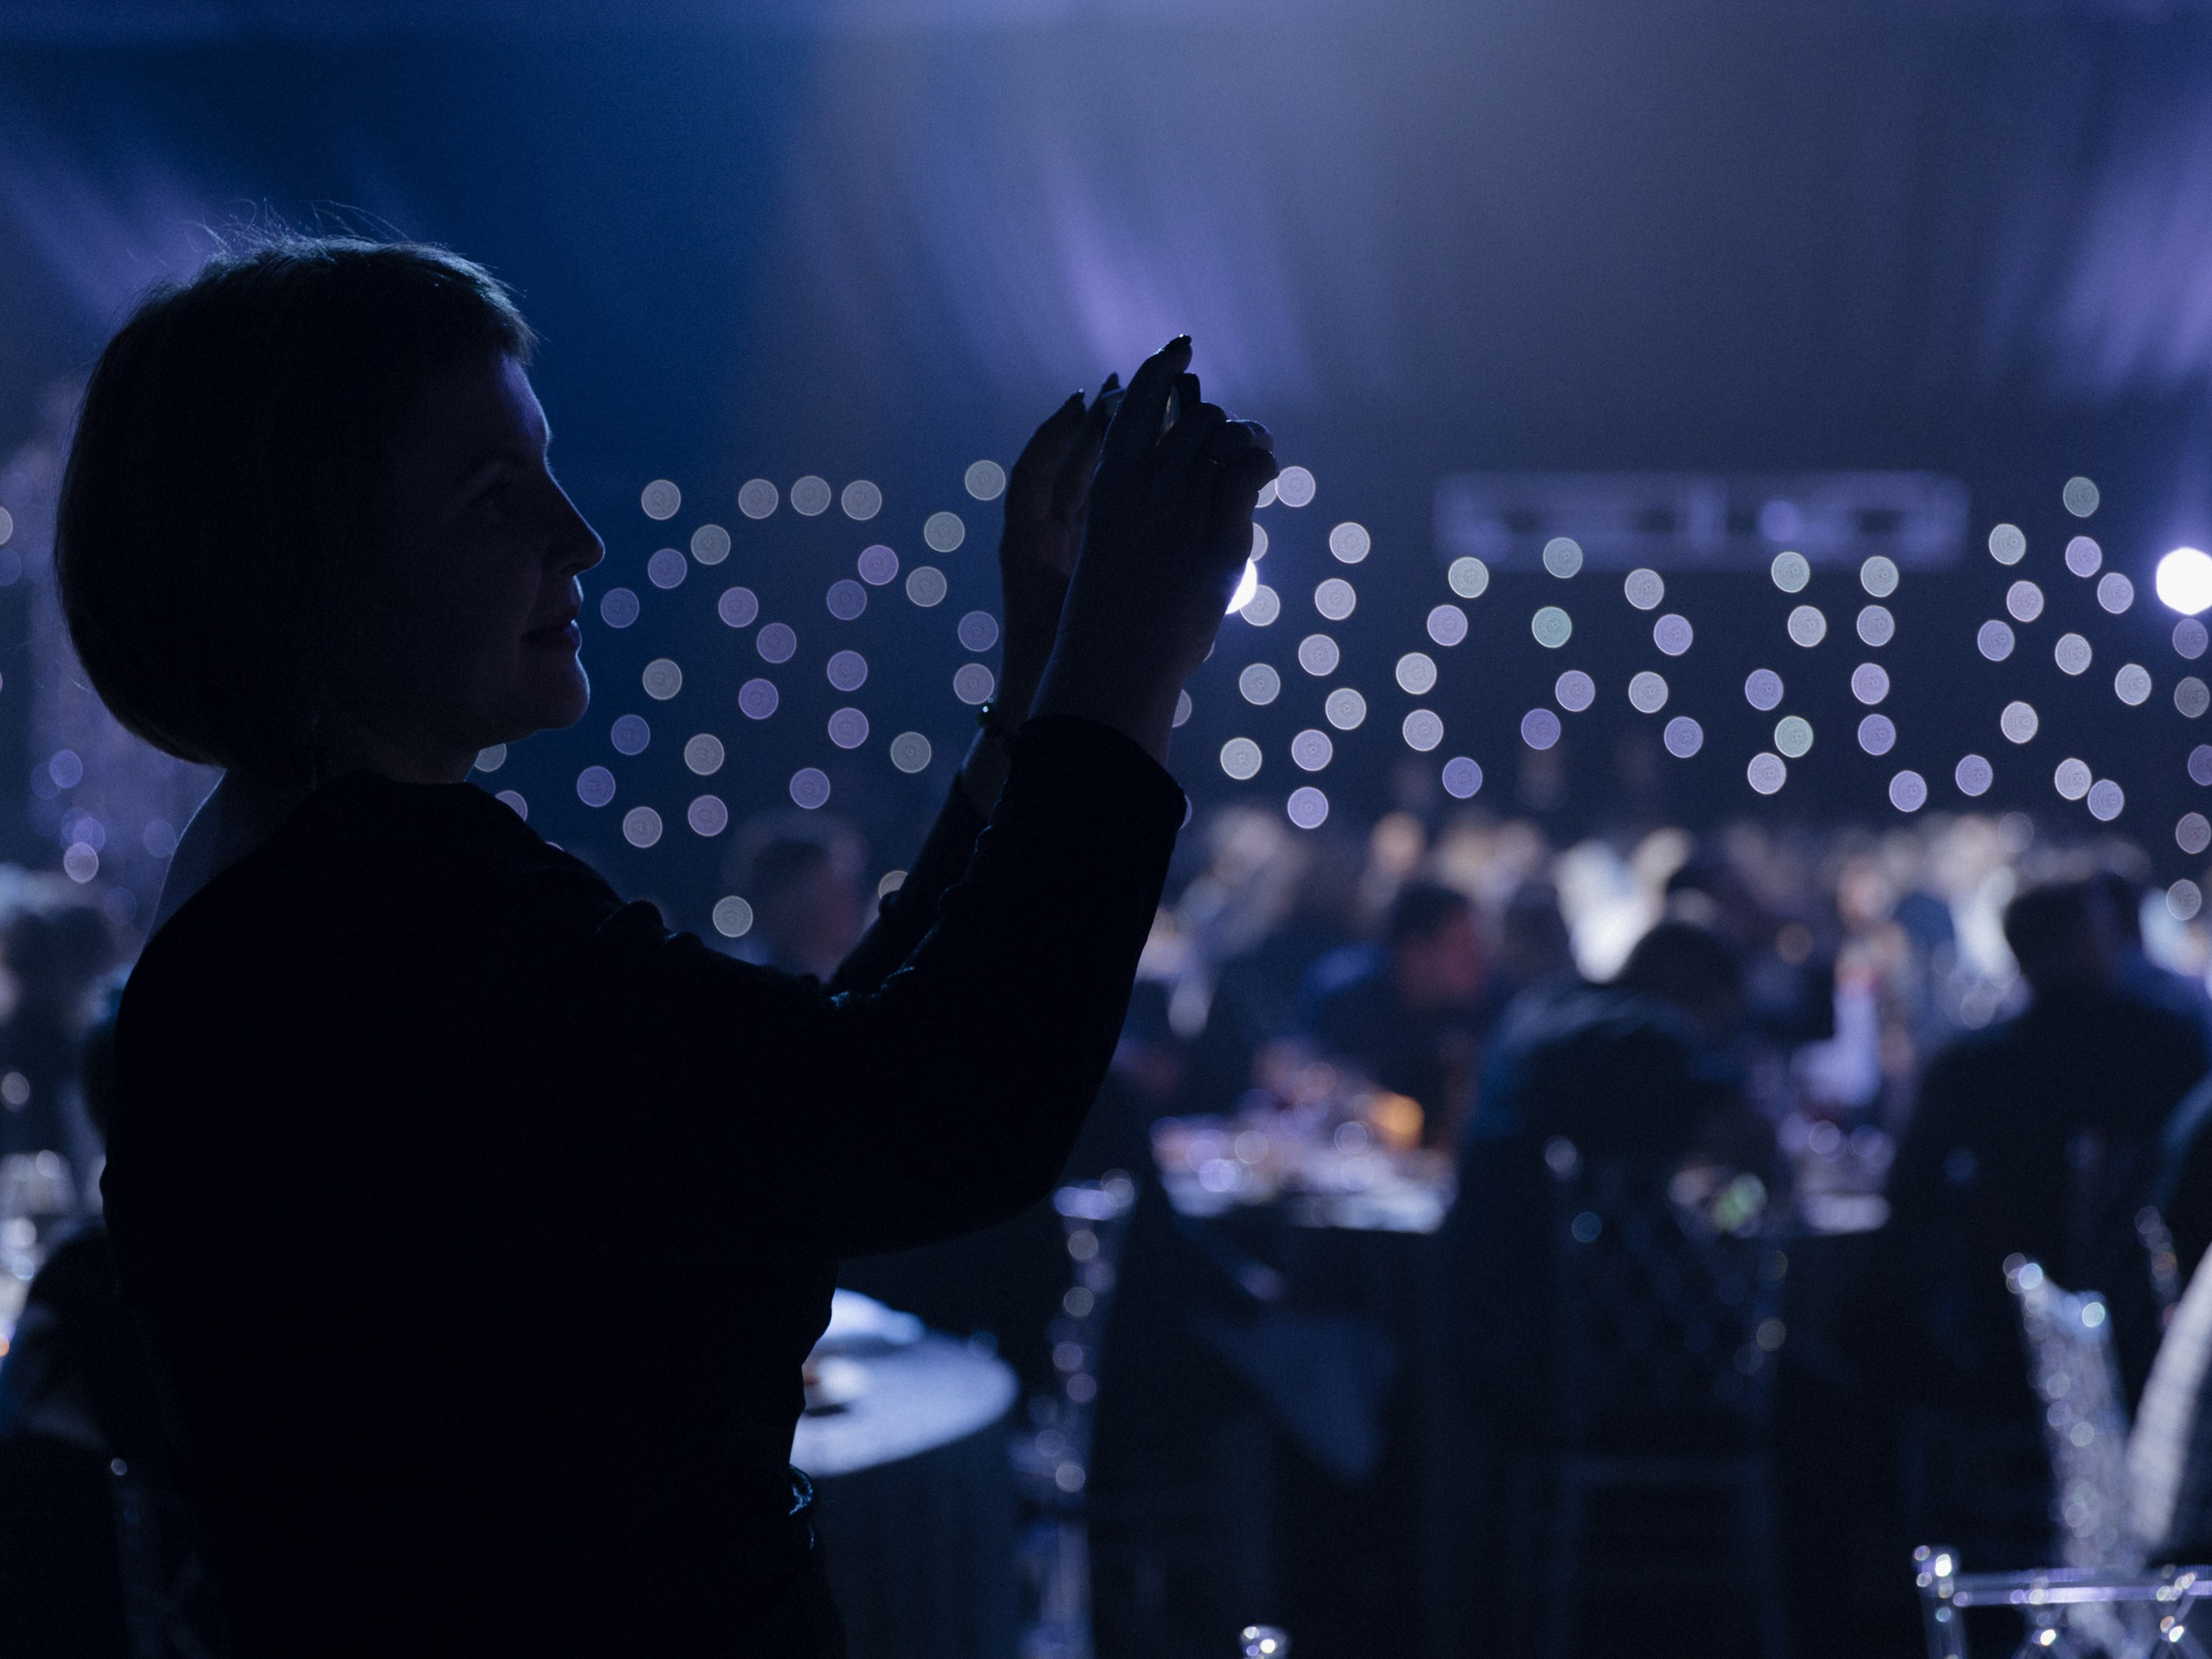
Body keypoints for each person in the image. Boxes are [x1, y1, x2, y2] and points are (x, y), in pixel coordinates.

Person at [58, 237, 1275, 1656]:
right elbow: (938, 1116)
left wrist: (1038, 682)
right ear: (301, 559)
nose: (576, 534)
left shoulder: (309, 891)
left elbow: (797, 1103)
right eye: (492, 493)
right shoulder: (385, 919)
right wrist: (1124, 664)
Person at [1845, 879, 2211, 1570]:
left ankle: (1889, 1549)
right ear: (2095, 942)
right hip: (2151, 1349)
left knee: (1866, 1325)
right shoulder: (2172, 1046)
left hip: (1999, 1340)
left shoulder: (1976, 1062)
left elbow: (1907, 1194)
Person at [1293, 880, 1493, 1145]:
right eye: (1464, 947)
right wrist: (1367, 1103)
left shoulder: (1488, 1005)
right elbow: (1286, 1068)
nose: (1481, 959)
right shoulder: (1345, 992)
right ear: (1416, 952)